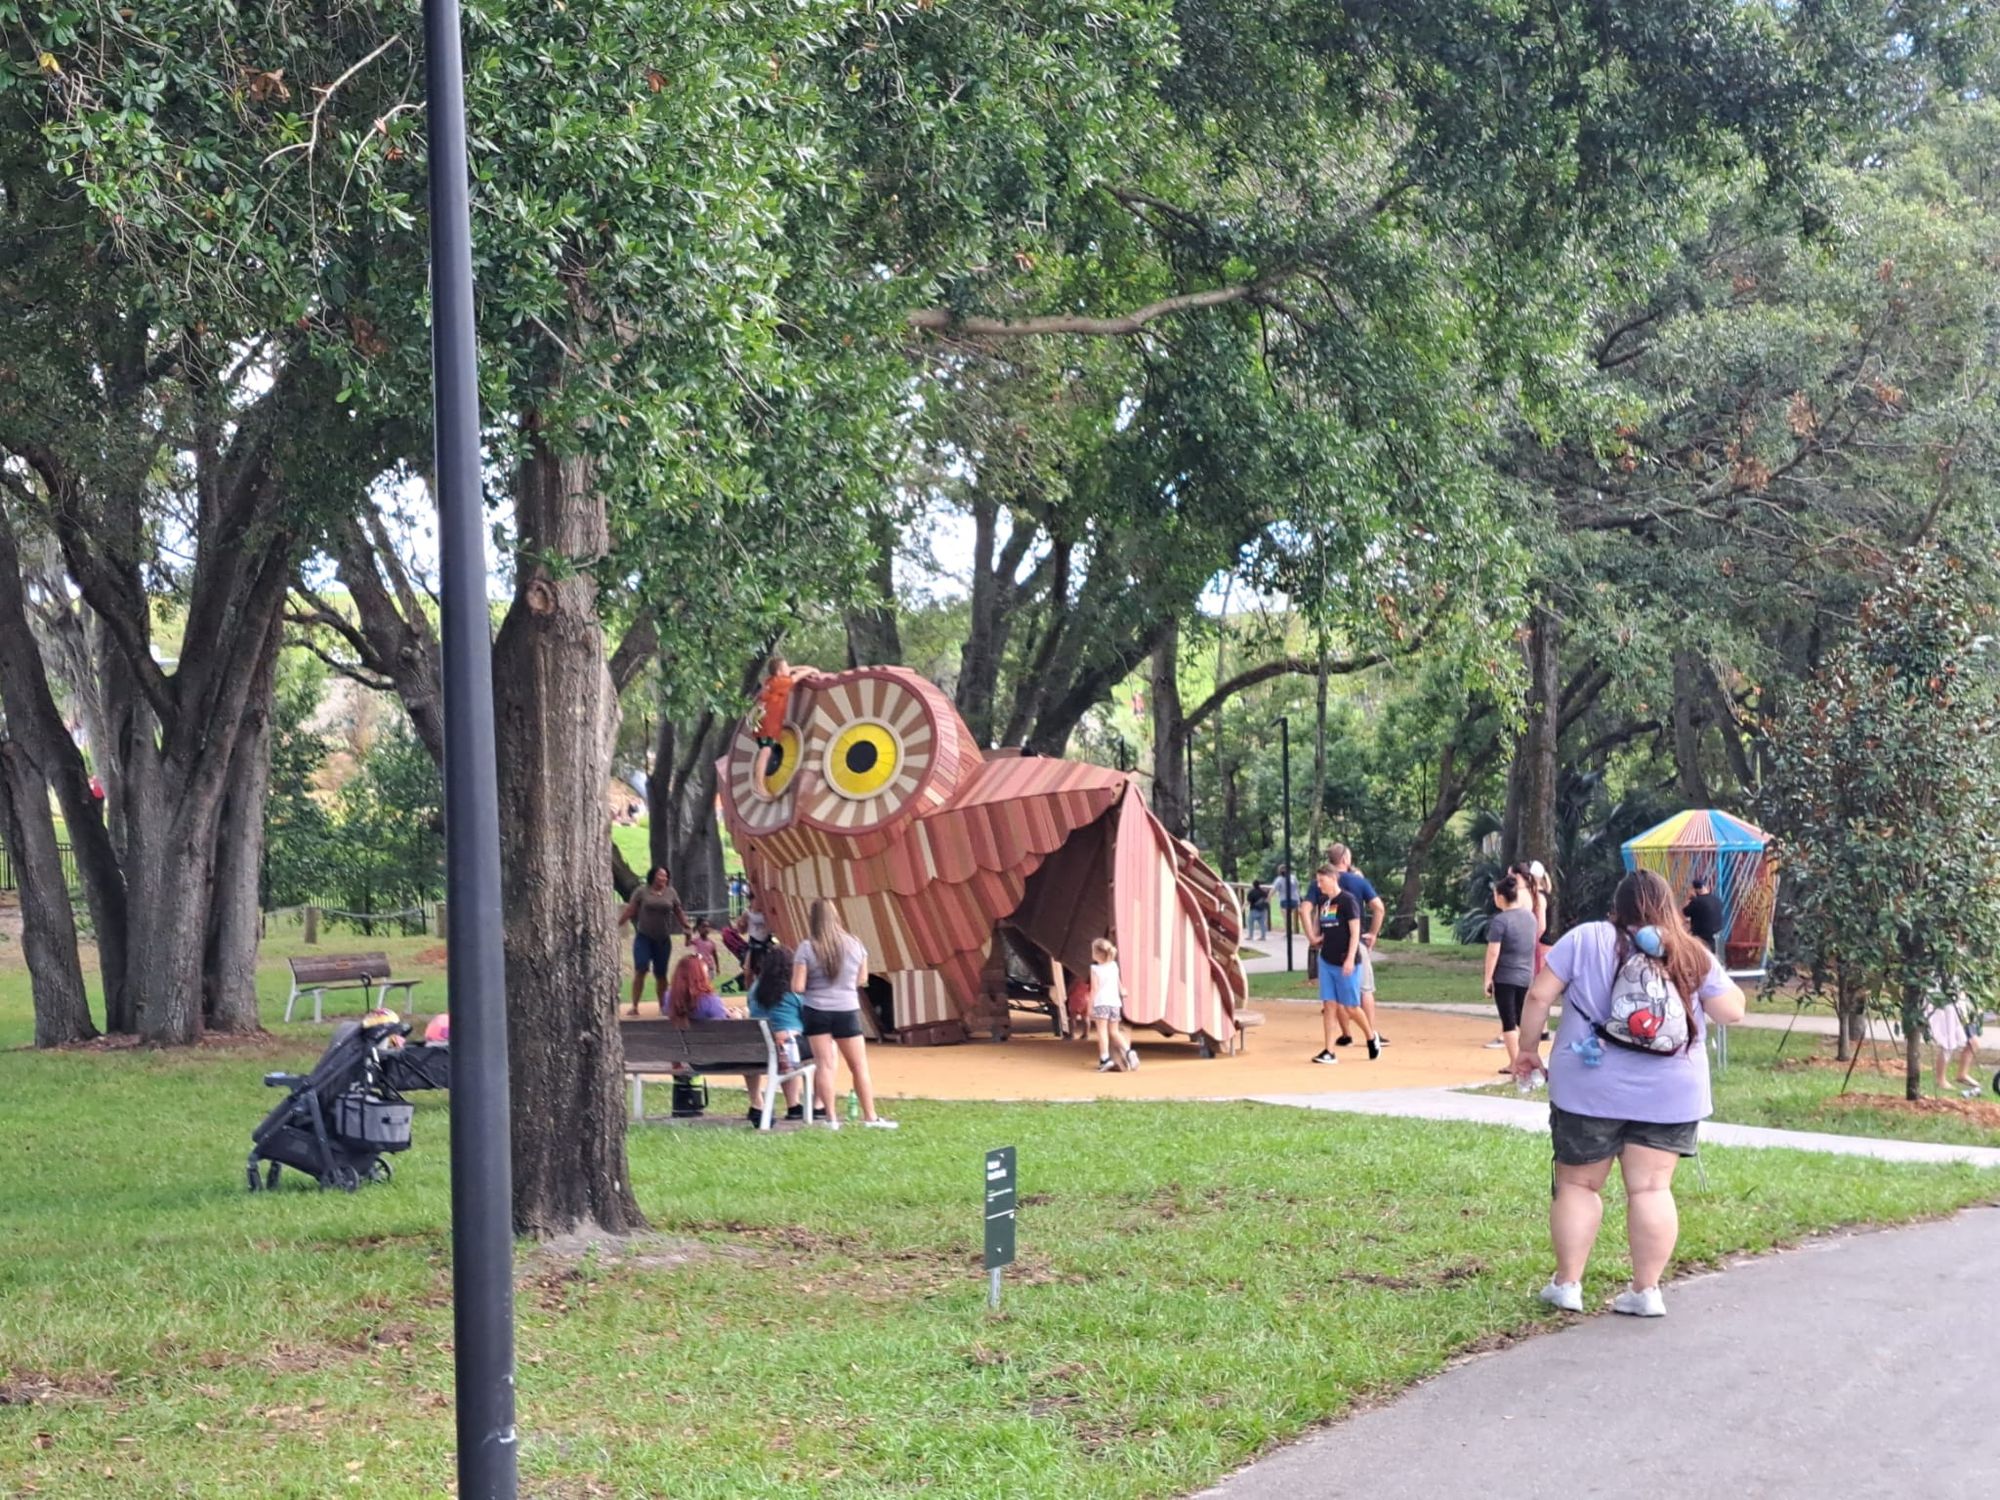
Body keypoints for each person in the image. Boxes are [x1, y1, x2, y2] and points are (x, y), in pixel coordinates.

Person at [1510, 869, 1746, 1318]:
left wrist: (1527, 1050)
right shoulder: (1689, 952)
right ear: (1669, 908)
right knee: (1652, 1189)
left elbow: (1539, 996)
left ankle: (1567, 1284)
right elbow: (1731, 1010)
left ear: (1616, 906)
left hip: (1587, 1087)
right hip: (1670, 1093)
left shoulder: (1585, 939)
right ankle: (1646, 1291)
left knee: (1578, 1184)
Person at [791, 898, 897, 1130]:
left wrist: (815, 985)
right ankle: (870, 1116)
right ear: (837, 916)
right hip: (846, 1009)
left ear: (813, 920)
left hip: (816, 1011)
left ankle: (831, 1118)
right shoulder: (855, 945)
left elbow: (798, 987)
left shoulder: (807, 947)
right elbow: (862, 979)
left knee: (825, 1065)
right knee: (858, 1065)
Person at [1310, 864, 1380, 1063]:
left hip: (1345, 961)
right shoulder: (1323, 901)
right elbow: (1324, 926)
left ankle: (1370, 1036)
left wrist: (1350, 958)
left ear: (1333, 879)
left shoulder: (1347, 901)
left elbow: (1355, 932)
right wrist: (1317, 938)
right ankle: (1329, 1051)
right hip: (1326, 960)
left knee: (1350, 1007)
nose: (1319, 884)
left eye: (1321, 880)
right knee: (1329, 1005)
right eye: (1317, 880)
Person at [1329, 844, 1389, 1049]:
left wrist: (1317, 935)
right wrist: (1372, 933)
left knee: (1335, 993)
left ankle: (1346, 1035)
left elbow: (1314, 910)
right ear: (1345, 859)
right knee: (1365, 990)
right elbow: (1379, 908)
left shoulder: (1324, 883)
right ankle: (1370, 1033)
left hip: (1332, 945)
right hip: (1357, 942)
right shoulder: (1358, 882)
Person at [746, 942, 811, 1122]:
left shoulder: (755, 989)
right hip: (789, 1046)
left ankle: (756, 1103)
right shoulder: (794, 988)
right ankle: (795, 1104)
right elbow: (807, 1016)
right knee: (806, 1044)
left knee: (777, 1045)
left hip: (756, 1050)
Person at [1484, 873, 1540, 1072]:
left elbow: (1493, 952)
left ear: (1500, 897)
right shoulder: (1530, 918)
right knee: (1521, 1019)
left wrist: (1488, 979)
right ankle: (1530, 1058)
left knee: (1508, 1020)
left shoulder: (1500, 921)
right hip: (1526, 975)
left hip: (1506, 977)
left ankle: (1515, 1063)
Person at [618, 867, 690, 1016]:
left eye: (665, 876)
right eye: (660, 875)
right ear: (653, 876)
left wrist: (687, 927)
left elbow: (678, 911)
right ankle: (635, 1006)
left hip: (663, 939)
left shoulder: (671, 893)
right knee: (641, 968)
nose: (663, 878)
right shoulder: (641, 891)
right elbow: (631, 910)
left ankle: (663, 1006)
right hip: (644, 937)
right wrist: (618, 924)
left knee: (661, 974)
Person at [1088, 938, 1140, 1073]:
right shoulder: (1114, 966)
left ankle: (1104, 1059)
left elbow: (1094, 989)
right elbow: (1119, 984)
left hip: (1101, 1003)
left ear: (1097, 954)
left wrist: (1090, 1006)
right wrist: (1122, 991)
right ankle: (1129, 1052)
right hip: (1114, 1003)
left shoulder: (1094, 969)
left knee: (1102, 1032)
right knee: (1114, 1032)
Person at [1929, 990, 1984, 1099]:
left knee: (1973, 1043)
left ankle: (1962, 1075)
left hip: (1961, 1006)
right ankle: (1941, 1080)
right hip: (1949, 1007)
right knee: (1949, 1044)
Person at [665, 952, 732, 1025]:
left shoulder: (669, 998)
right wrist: (736, 1017)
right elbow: (722, 1026)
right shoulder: (710, 1000)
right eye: (705, 974)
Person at [1683, 876, 1725, 956]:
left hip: (1702, 940)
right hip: (1717, 939)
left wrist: (1687, 898)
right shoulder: (1717, 900)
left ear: (1696, 890)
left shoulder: (1697, 902)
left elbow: (1685, 912)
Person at [1274, 865, 1301, 941]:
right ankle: (1290, 930)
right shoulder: (1293, 878)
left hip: (1284, 900)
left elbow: (1274, 889)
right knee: (1289, 916)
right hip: (1294, 899)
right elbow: (1297, 888)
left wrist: (1268, 898)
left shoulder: (1279, 880)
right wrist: (1299, 899)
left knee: (1286, 917)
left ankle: (1288, 932)